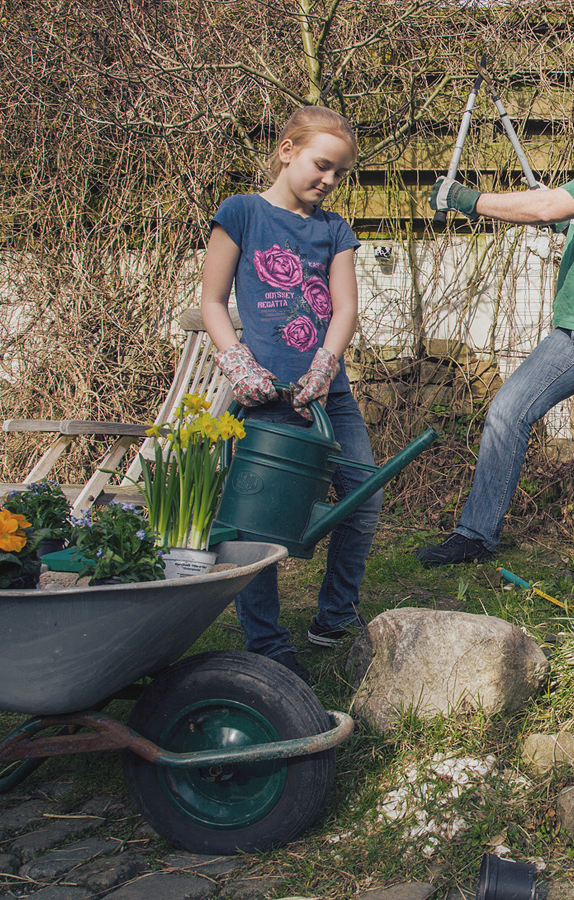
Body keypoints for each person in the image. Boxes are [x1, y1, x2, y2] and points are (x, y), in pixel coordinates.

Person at [416, 80, 574, 587]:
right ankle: (476, 535)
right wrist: (563, 223)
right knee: (509, 411)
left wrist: (466, 197)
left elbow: (547, 206)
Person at [201, 105, 382, 685]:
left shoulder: (334, 230)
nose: (328, 181)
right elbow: (213, 301)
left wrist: (327, 363)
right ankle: (266, 640)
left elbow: (346, 308)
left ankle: (334, 615)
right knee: (251, 521)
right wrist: (237, 363)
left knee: (362, 496)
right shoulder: (242, 213)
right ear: (287, 150)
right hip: (261, 395)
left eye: (338, 174)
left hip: (328, 395)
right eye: (322, 166)